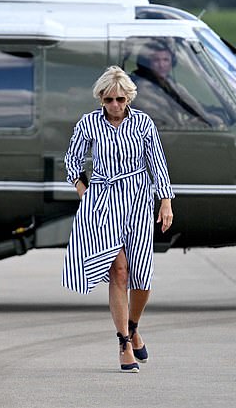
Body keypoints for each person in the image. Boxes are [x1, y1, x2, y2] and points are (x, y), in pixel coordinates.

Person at [63, 65, 174, 372]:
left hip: (138, 201)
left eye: (121, 99)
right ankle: (124, 341)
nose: (115, 105)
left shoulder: (142, 124)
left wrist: (165, 201)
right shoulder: (88, 124)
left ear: (129, 99)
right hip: (102, 203)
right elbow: (72, 160)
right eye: (109, 99)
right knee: (119, 271)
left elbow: (158, 164)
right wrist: (83, 190)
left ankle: (134, 325)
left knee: (142, 276)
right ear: (101, 98)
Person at [130, 39, 223, 128]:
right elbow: (162, 128)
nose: (161, 65)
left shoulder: (169, 85)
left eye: (165, 60)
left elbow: (193, 106)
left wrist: (215, 113)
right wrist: (193, 124)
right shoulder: (144, 91)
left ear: (172, 62)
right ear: (148, 63)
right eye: (156, 60)